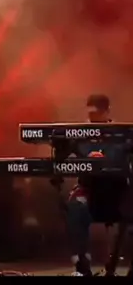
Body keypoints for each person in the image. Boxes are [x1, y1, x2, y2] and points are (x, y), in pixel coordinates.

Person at [65, 94, 130, 276]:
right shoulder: (79, 135)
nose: (93, 117)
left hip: (118, 192)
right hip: (89, 191)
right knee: (75, 207)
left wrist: (106, 158)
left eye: (97, 113)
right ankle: (82, 265)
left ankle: (118, 263)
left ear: (107, 111)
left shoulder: (122, 134)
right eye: (90, 114)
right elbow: (61, 153)